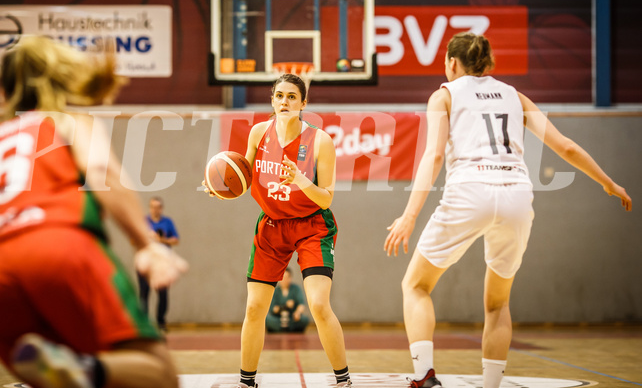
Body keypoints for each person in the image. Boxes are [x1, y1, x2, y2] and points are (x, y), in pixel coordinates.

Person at [384, 32, 632, 388]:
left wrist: (409, 215)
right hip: (517, 193)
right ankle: (491, 385)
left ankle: (425, 376)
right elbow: (566, 146)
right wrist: (607, 182)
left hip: (470, 189)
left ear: (452, 63)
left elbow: (434, 155)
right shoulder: (515, 96)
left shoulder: (444, 95)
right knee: (498, 303)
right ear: (486, 62)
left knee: (416, 285)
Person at [0, 36, 189, 388]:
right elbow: (102, 170)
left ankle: (75, 370)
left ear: (2, 93)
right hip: (55, 247)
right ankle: (86, 370)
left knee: (54, 378)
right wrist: (146, 244)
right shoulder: (66, 122)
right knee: (157, 374)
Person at [205, 74, 352, 388]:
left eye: (292, 97)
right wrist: (219, 187)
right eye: (280, 96)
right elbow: (243, 180)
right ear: (272, 100)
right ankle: (247, 381)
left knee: (318, 304)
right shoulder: (259, 133)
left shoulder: (320, 141)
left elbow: (326, 197)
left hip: (312, 226)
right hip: (272, 225)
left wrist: (300, 180)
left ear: (303, 103)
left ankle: (343, 380)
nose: (285, 102)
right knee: (255, 306)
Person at [139, 196, 180, 333]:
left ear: (161, 208)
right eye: (153, 207)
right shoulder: (144, 222)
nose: (155, 210)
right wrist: (148, 239)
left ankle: (160, 322)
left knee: (163, 294)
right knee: (144, 293)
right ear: (150, 208)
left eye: (158, 207)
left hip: (162, 264)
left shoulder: (167, 222)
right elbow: (135, 240)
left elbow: (175, 240)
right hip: (147, 263)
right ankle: (143, 324)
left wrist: (162, 240)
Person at [265, 268, 310, 333]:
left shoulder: (296, 289)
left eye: (287, 278)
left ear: (290, 278)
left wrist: (298, 312)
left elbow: (301, 304)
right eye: (283, 278)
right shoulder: (275, 290)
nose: (284, 280)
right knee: (267, 319)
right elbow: (273, 308)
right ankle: (284, 329)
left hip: (292, 318)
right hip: (278, 318)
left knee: (304, 319)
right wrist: (285, 306)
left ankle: (286, 329)